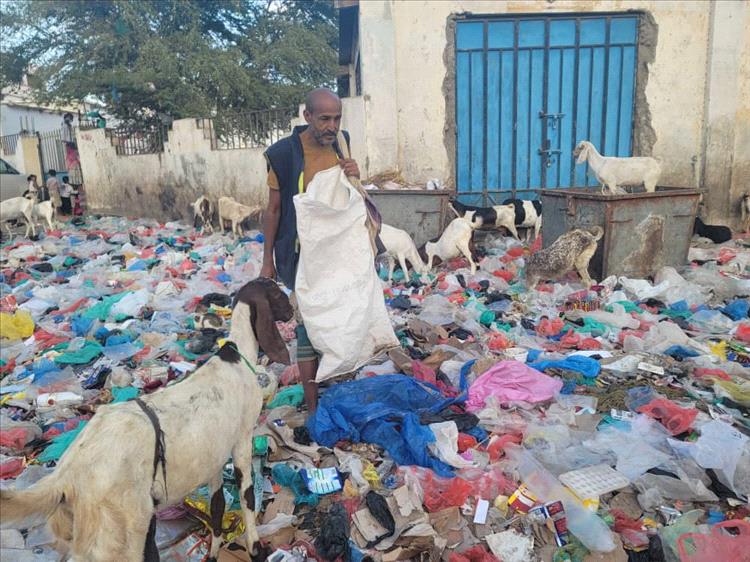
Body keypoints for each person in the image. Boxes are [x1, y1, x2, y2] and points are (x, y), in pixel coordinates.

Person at [260, 88, 360, 413]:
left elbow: (350, 198)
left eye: (337, 118)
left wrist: (355, 177)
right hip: (300, 256)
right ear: (307, 117)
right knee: (307, 328)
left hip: (336, 253)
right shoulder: (283, 155)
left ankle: (338, 387)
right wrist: (268, 262)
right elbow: (273, 210)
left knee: (339, 321)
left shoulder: (342, 143)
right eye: (324, 119)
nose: (332, 126)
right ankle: (314, 405)